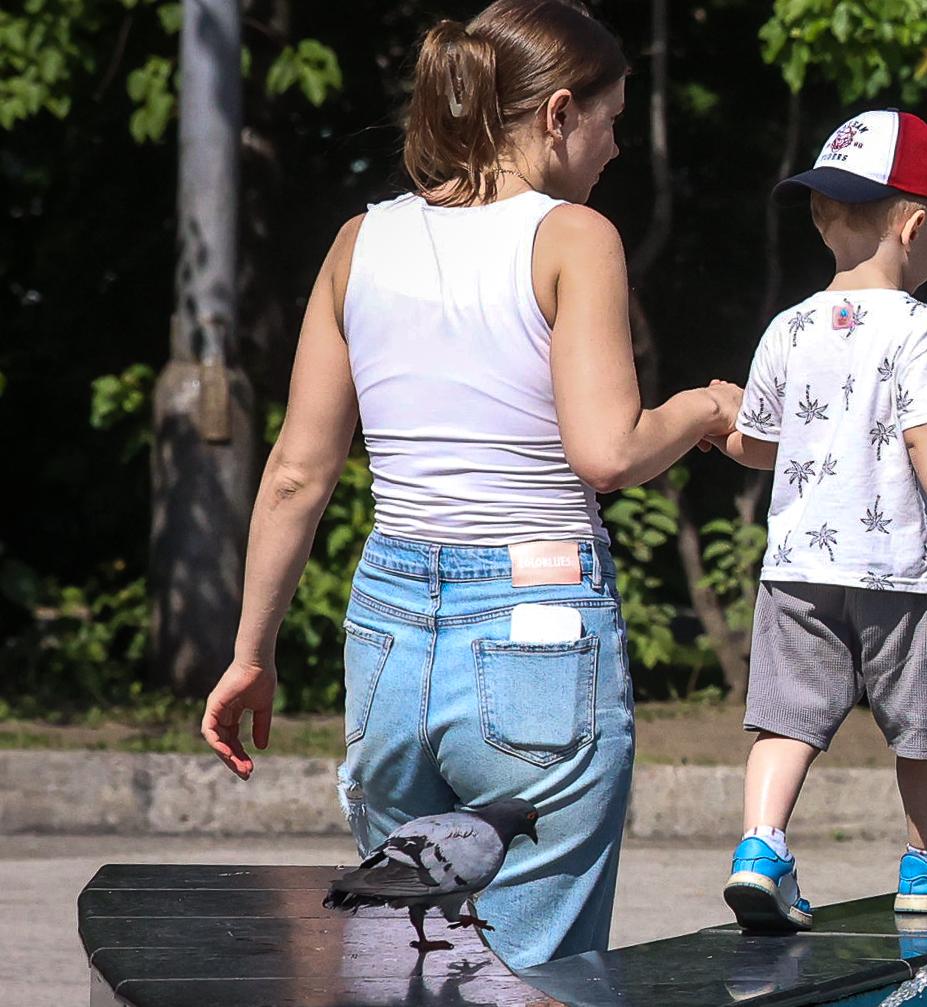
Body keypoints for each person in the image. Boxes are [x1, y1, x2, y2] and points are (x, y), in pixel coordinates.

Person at [195, 0, 740, 967]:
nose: (615, 149)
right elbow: (609, 453)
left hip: (388, 633)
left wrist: (252, 651)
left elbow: (295, 475)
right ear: (559, 112)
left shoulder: (360, 243)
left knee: (409, 960)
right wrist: (703, 409)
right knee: (531, 972)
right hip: (539, 622)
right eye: (612, 122)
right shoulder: (574, 237)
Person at [706, 109, 927, 933]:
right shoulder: (922, 327)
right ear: (916, 225)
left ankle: (760, 848)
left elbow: (763, 446)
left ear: (819, 216)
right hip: (902, 571)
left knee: (785, 720)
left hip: (799, 566)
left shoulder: (788, 327)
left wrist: (717, 426)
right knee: (921, 723)